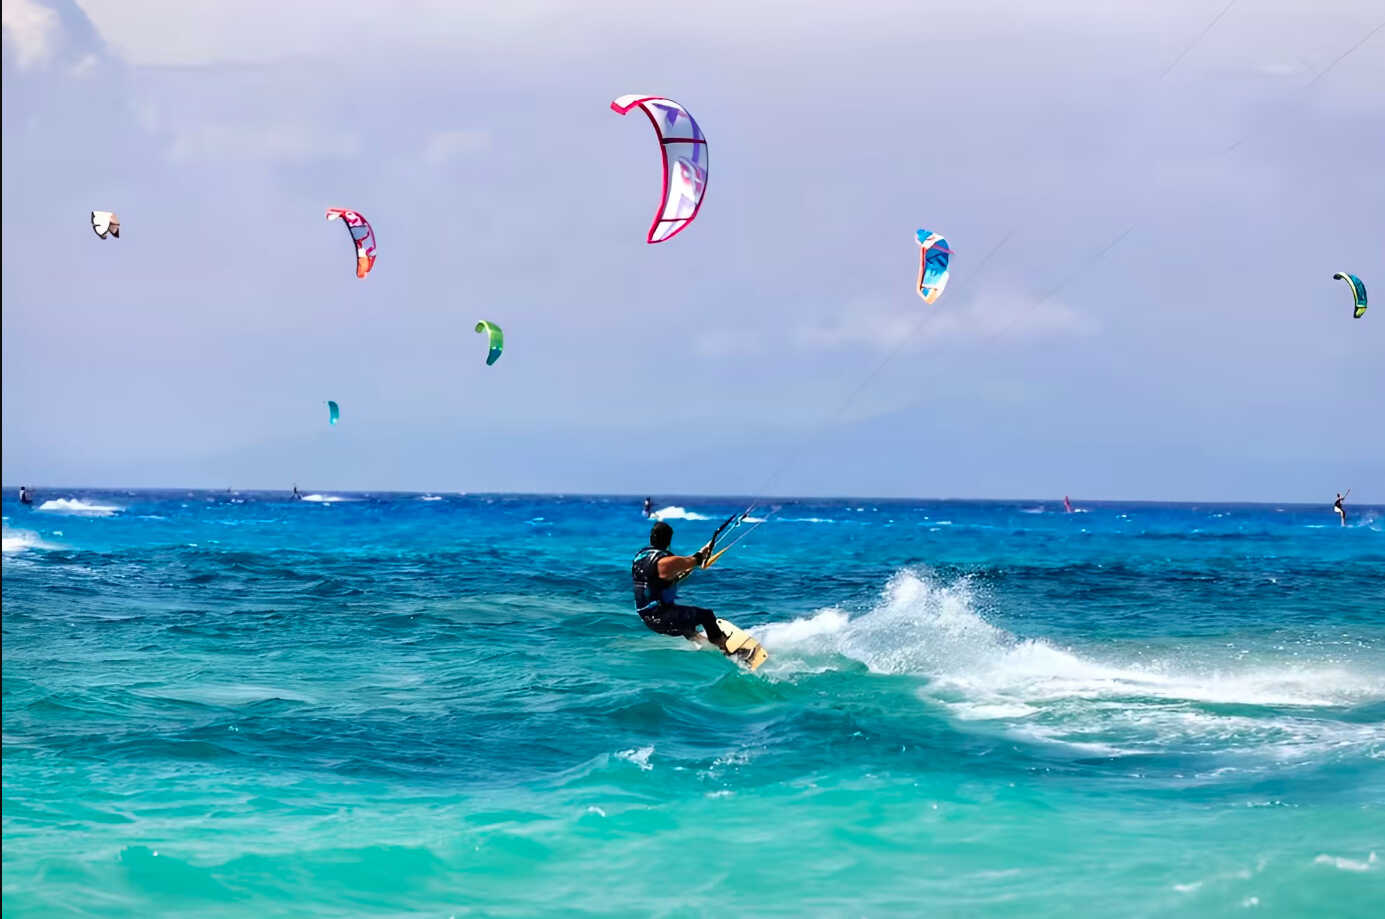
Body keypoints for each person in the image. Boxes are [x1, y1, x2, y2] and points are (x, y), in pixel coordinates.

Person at [632, 521, 728, 649]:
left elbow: (664, 580)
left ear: (651, 538)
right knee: (707, 615)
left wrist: (700, 555)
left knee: (684, 621)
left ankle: (702, 643)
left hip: (647, 618)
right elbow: (694, 561)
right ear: (668, 540)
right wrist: (704, 551)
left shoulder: (640, 557)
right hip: (664, 618)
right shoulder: (667, 561)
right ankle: (723, 646)